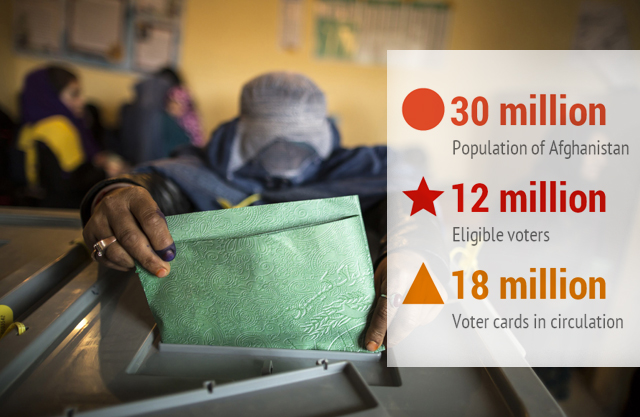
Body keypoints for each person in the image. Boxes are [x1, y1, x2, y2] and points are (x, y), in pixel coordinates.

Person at [81, 72, 447, 351]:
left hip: (336, 337)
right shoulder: (199, 169)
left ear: (322, 132)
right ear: (241, 133)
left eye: (300, 142)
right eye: (271, 140)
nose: (287, 154)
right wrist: (116, 195)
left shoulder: (364, 169)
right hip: (212, 340)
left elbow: (411, 201)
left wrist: (415, 248)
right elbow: (156, 185)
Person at [16, 65, 124, 208]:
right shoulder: (59, 127)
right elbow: (71, 182)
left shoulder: (29, 126)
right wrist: (106, 172)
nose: (81, 101)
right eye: (74, 94)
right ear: (49, 96)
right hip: (63, 212)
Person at [119, 67, 204, 165]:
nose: (174, 107)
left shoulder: (186, 120)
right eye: (171, 102)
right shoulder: (165, 119)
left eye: (178, 103)